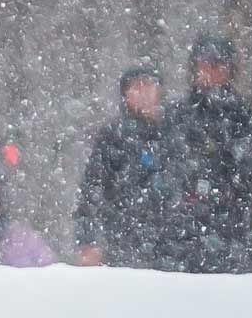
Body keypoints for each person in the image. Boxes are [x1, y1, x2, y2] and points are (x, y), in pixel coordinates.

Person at [172, 36, 252, 273]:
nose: (212, 71)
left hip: (237, 219)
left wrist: (232, 184)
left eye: (218, 64)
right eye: (205, 64)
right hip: (187, 224)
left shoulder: (246, 114)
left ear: (230, 69)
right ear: (195, 68)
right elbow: (171, 161)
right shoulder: (179, 114)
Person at [74, 65, 184, 269]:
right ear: (125, 95)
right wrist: (88, 241)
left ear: (159, 90)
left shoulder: (176, 133)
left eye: (148, 85)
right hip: (123, 243)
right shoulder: (112, 137)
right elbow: (91, 191)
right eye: (136, 87)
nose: (143, 92)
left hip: (176, 248)